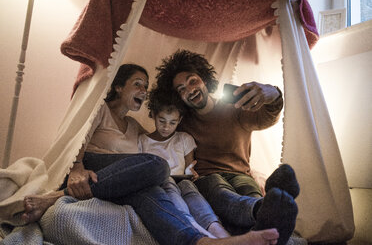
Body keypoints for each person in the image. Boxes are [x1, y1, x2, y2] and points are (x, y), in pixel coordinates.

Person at [22, 63, 280, 245]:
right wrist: (77, 167)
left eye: (145, 85)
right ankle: (58, 196)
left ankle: (199, 241)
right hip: (93, 167)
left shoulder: (136, 127)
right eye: (138, 84)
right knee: (157, 167)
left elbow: (159, 140)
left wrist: (274, 92)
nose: (144, 90)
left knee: (154, 184)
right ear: (119, 87)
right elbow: (74, 142)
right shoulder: (98, 109)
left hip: (122, 178)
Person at [155, 49, 300, 245]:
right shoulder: (181, 122)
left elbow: (268, 116)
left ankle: (273, 209)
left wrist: (272, 93)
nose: (189, 90)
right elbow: (159, 141)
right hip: (206, 180)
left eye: (192, 81)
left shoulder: (235, 108)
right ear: (178, 98)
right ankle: (264, 210)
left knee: (247, 187)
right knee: (218, 186)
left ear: (204, 80)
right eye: (181, 89)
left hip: (240, 175)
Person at [138, 87, 230, 238]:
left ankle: (216, 229)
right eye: (162, 121)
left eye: (172, 122)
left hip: (182, 180)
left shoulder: (184, 138)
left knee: (190, 188)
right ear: (153, 115)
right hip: (161, 182)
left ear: (179, 120)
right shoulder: (142, 140)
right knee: (169, 185)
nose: (166, 127)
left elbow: (189, 166)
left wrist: (191, 172)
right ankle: (192, 226)